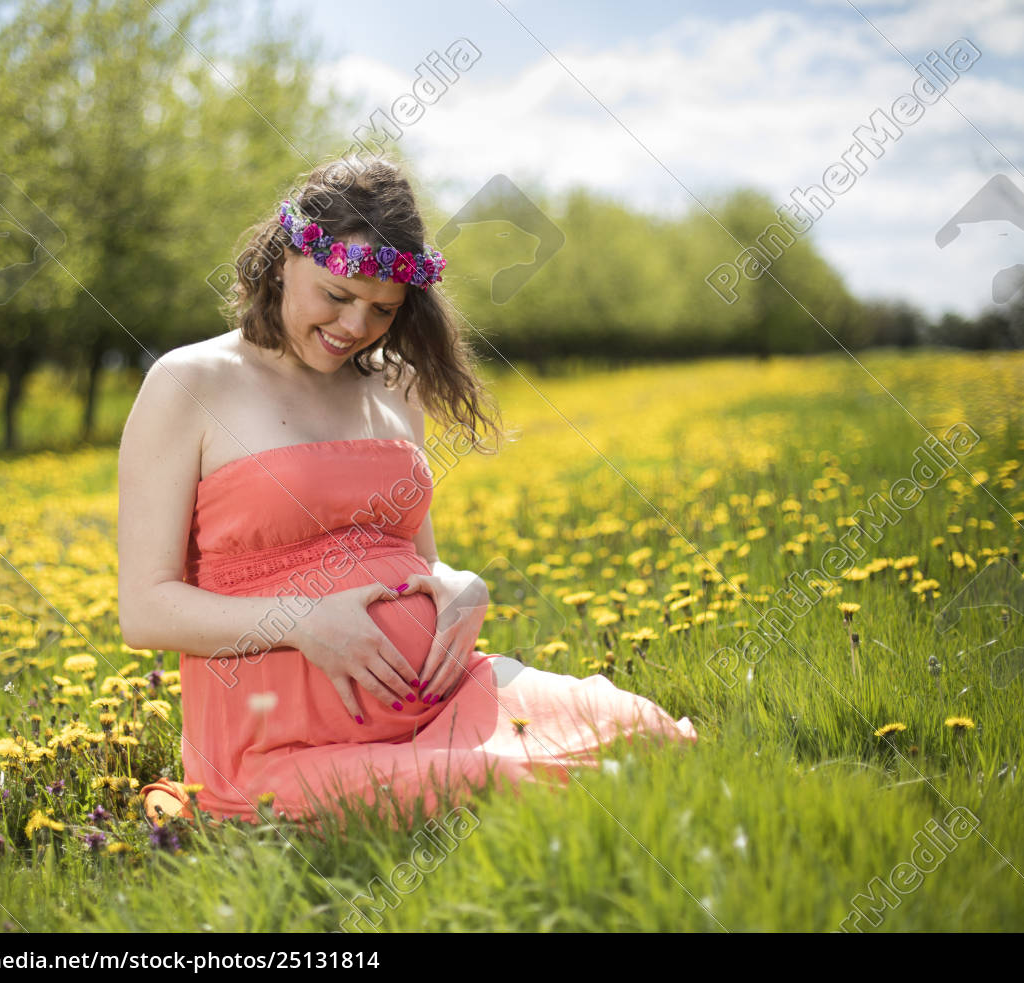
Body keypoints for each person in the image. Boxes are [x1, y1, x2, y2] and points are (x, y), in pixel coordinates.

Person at [118, 157, 696, 829]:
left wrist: (459, 586)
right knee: (507, 781)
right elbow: (146, 609)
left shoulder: (397, 385)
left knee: (642, 731)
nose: (355, 326)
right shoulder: (190, 385)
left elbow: (419, 560)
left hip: (444, 694)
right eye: (336, 296)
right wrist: (303, 621)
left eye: (382, 310)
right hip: (275, 740)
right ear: (284, 260)